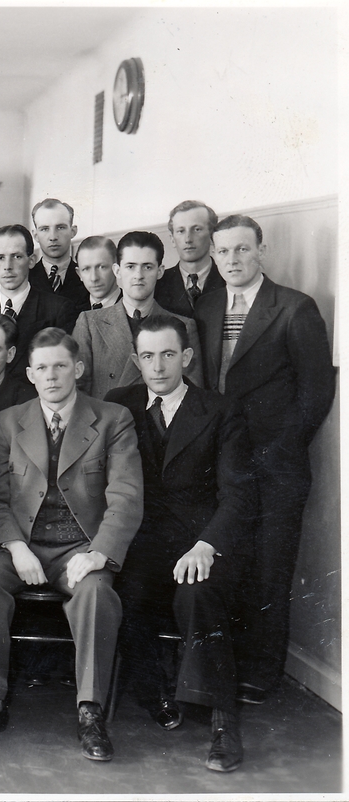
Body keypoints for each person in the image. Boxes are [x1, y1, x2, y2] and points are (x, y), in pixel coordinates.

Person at [0, 327, 142, 762]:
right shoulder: (7, 421)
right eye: (42, 368)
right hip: (23, 543)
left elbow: (126, 495)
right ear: (30, 374)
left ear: (78, 368)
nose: (51, 376)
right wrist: (15, 547)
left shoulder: (112, 419)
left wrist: (98, 552)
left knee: (96, 594)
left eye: (60, 366)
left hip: (82, 547)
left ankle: (90, 711)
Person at [192, 214, 335, 704]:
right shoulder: (208, 306)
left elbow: (316, 393)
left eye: (242, 249)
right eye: (223, 251)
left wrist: (279, 447)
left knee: (270, 567)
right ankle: (223, 663)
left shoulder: (294, 308)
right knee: (226, 559)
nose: (232, 259)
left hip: (275, 463)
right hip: (222, 459)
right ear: (213, 255)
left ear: (261, 251)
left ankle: (261, 671)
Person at [105, 315, 255, 772]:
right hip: (143, 542)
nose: (158, 366)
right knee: (124, 591)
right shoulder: (118, 404)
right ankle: (154, 693)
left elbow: (239, 493)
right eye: (148, 356)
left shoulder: (220, 409)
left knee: (198, 593)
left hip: (199, 541)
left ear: (186, 357)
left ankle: (223, 721)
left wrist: (207, 544)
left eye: (168, 354)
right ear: (136, 360)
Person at [72, 231, 202, 398]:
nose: (139, 276)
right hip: (108, 414)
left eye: (147, 267)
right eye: (130, 266)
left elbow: (192, 396)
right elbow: (77, 390)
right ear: (117, 270)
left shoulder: (183, 326)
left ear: (160, 271)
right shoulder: (90, 323)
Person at [0, 224, 78, 380]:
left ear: (31, 261)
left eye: (16, 257)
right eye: (0, 258)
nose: (7, 267)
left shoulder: (58, 309)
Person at [155, 201, 223, 316]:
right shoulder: (157, 284)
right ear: (172, 239)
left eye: (196, 229)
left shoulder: (228, 279)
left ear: (212, 236)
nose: (188, 239)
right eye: (181, 231)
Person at [29, 198, 89, 313]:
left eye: (60, 227)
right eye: (44, 229)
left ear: (73, 231)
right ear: (35, 235)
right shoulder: (26, 279)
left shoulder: (87, 278)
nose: (53, 237)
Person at [75, 236, 122, 310]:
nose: (94, 278)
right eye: (86, 269)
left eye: (102, 267)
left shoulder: (133, 307)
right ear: (79, 274)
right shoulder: (72, 311)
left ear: (116, 268)